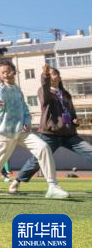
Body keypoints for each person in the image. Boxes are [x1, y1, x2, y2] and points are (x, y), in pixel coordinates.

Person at [0, 63, 67, 199]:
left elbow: (24, 109)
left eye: (8, 71)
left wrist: (26, 122)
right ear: (0, 76)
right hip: (4, 133)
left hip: (21, 132)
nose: (5, 74)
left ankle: (53, 186)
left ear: (14, 72)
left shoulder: (18, 90)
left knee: (43, 147)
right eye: (2, 73)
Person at [10, 64, 92, 193]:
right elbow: (45, 94)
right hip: (50, 133)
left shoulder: (65, 94)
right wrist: (45, 75)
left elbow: (71, 111)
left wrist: (74, 120)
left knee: (89, 150)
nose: (52, 76)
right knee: (37, 159)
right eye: (50, 75)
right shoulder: (44, 91)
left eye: (54, 74)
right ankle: (17, 181)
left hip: (68, 134)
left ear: (59, 77)